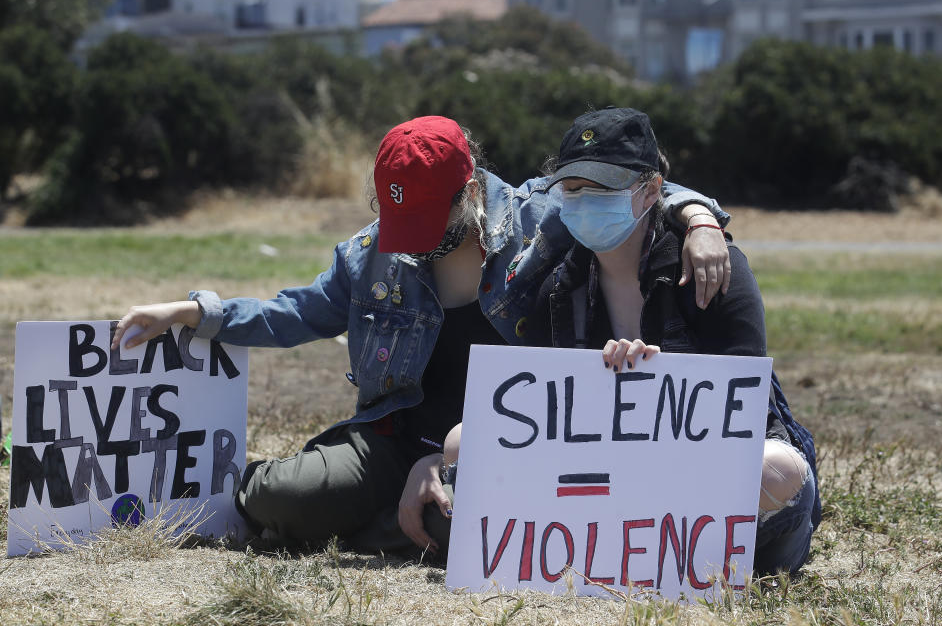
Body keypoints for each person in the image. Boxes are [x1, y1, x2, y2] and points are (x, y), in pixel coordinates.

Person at [111, 115, 732, 556]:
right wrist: (194, 313)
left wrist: (700, 218)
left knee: (471, 520)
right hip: (398, 433)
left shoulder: (544, 219)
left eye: (427, 221)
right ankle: (392, 519)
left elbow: (642, 185)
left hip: (516, 443)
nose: (406, 238)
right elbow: (294, 313)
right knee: (288, 498)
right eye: (396, 218)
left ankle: (398, 525)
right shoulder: (367, 254)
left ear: (470, 190)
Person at [521, 107, 821, 575]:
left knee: (776, 473)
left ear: (652, 189)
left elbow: (742, 410)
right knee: (461, 445)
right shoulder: (557, 291)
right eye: (574, 190)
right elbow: (542, 423)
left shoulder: (717, 270)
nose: (584, 202)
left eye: (603, 189)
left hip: (706, 470)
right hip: (606, 481)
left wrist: (663, 382)